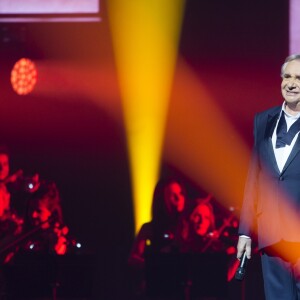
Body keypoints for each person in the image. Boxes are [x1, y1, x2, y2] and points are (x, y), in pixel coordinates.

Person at [237, 54, 300, 299]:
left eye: (298, 78)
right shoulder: (264, 120)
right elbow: (254, 179)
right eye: (287, 76)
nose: (291, 83)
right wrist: (245, 231)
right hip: (272, 235)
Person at [128, 178, 188, 299]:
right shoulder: (149, 228)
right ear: (162, 199)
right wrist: (156, 265)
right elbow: (133, 259)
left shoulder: (187, 227)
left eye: (180, 193)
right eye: (172, 195)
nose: (178, 198)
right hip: (158, 289)